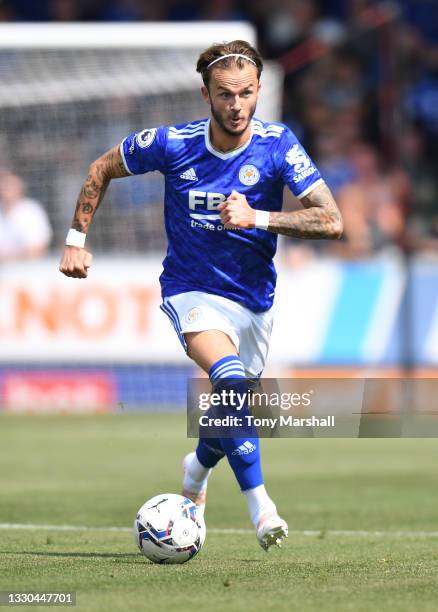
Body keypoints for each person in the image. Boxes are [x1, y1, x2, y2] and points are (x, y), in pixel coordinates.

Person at [59, 40, 343, 550]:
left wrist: (258, 217)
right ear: (206, 94)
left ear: (259, 91)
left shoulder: (278, 144)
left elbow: (331, 219)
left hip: (254, 301)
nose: (237, 105)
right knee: (229, 380)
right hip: (191, 289)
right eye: (226, 94)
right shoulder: (173, 143)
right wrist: (76, 240)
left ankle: (195, 470)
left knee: (231, 411)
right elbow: (101, 168)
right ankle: (263, 509)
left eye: (247, 93)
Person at [0, 170, 52, 262]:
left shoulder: (32, 210)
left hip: (28, 269)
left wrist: (10, 256)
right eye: (4, 185)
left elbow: (39, 248)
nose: (6, 189)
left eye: (10, 186)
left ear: (20, 187)